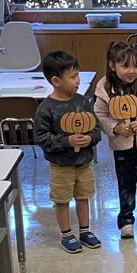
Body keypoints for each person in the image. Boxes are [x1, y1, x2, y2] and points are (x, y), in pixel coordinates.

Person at [94, 41, 137, 238]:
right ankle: (126, 219)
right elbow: (100, 114)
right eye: (125, 66)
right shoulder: (104, 88)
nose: (132, 71)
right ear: (112, 66)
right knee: (125, 183)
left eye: (136, 65)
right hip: (122, 146)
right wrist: (115, 128)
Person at [34, 50, 102, 254]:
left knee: (84, 197)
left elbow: (96, 129)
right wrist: (67, 141)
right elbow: (41, 138)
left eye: (78, 75)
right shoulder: (46, 108)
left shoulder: (83, 102)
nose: (78, 81)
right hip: (61, 166)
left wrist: (90, 138)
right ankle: (66, 234)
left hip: (84, 163)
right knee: (62, 200)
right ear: (56, 80)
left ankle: (85, 231)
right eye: (73, 77)